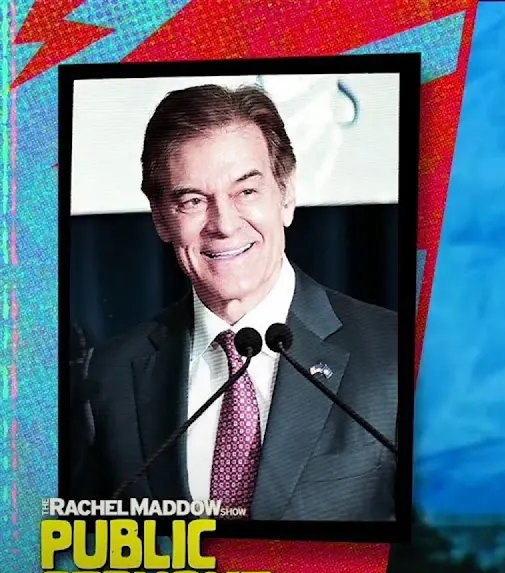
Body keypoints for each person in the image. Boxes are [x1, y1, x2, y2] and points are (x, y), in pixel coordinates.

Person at [67, 84, 397, 522]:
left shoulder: (395, 353)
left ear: (286, 195)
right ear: (161, 219)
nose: (223, 224)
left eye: (246, 192)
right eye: (192, 201)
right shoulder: (108, 376)